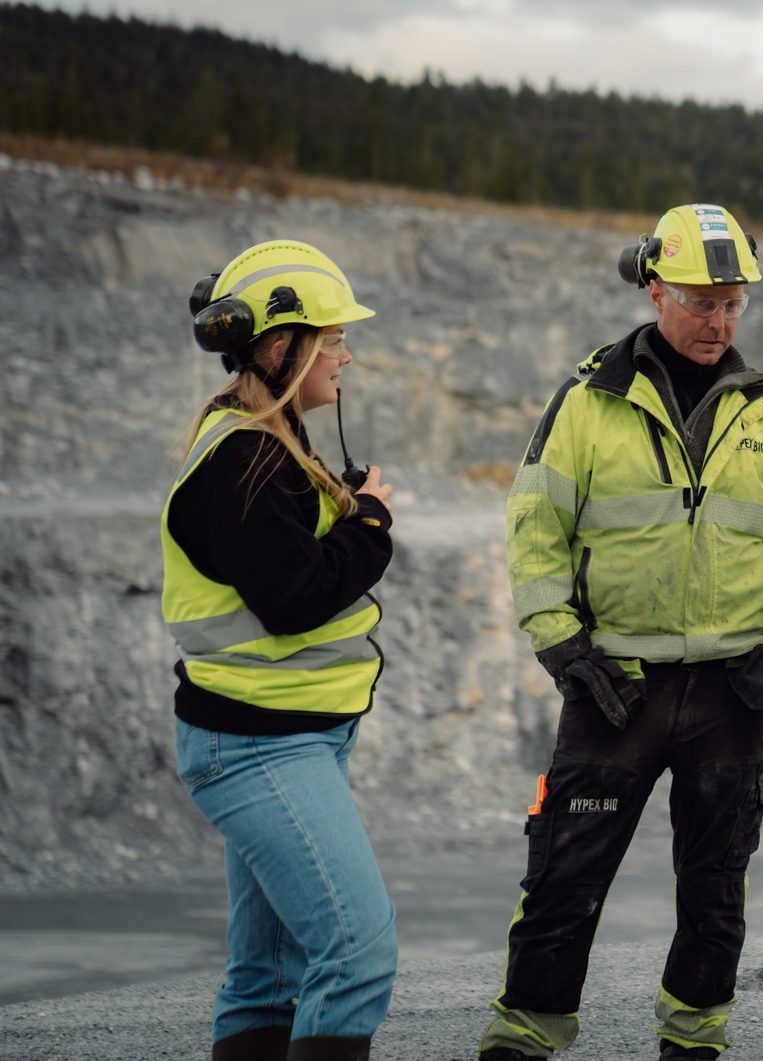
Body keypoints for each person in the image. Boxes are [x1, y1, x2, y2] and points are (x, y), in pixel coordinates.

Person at [477, 204, 763, 1061]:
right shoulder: (590, 398)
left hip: (732, 689)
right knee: (565, 872)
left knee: (715, 888)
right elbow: (535, 525)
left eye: (733, 303)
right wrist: (561, 644)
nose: (719, 321)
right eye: (703, 301)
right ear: (655, 287)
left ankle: (693, 1042)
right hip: (614, 683)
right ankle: (524, 1035)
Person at [164, 241, 398, 1061]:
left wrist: (349, 510)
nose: (343, 353)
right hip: (258, 747)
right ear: (277, 347)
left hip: (286, 736)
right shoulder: (243, 460)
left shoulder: (269, 444)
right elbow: (294, 600)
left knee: (267, 975)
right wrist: (370, 522)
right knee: (359, 955)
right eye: (330, 339)